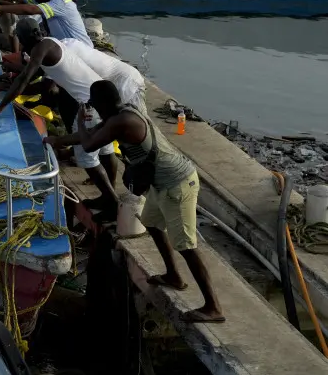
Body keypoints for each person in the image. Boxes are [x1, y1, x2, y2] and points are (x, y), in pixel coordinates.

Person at [59, 81, 224, 323]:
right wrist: (56, 140)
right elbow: (91, 136)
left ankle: (213, 307)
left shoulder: (122, 121)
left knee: (186, 245)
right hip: (161, 184)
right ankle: (173, 276)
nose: (93, 110)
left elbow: (89, 143)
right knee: (152, 224)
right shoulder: (120, 113)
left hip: (177, 184)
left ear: (103, 104)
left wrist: (82, 121)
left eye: (94, 105)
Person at [0, 37, 119, 209]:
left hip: (89, 105)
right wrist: (11, 82)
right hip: (102, 102)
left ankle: (110, 200)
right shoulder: (53, 43)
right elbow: (36, 80)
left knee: (87, 158)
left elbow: (24, 79)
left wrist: (0, 106)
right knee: (106, 150)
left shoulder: (40, 49)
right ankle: (111, 191)